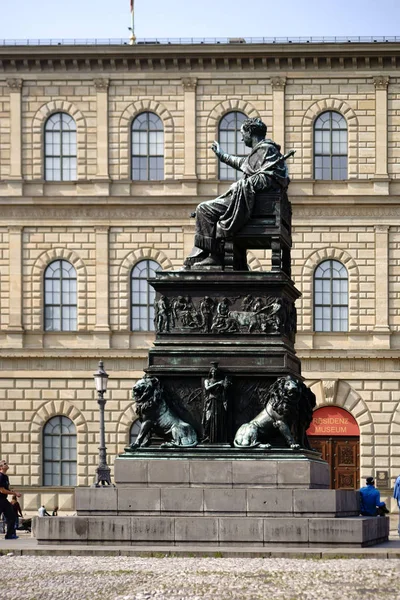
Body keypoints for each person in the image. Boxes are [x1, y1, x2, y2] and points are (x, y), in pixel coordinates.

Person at [184, 117, 291, 269]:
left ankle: (215, 257)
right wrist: (221, 155)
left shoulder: (266, 150)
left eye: (243, 133)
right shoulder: (261, 152)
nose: (241, 138)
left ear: (250, 132)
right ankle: (229, 258)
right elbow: (242, 164)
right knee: (207, 208)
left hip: (253, 204)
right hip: (250, 201)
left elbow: (268, 180)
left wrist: (243, 184)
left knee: (204, 209)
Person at [0, 459, 22, 540]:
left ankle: (9, 535)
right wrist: (14, 494)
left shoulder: (5, 477)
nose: (6, 464)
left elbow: (6, 489)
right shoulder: (0, 476)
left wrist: (14, 492)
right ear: (1, 467)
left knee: (12, 516)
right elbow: (2, 490)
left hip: (3, 500)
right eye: (4, 464)